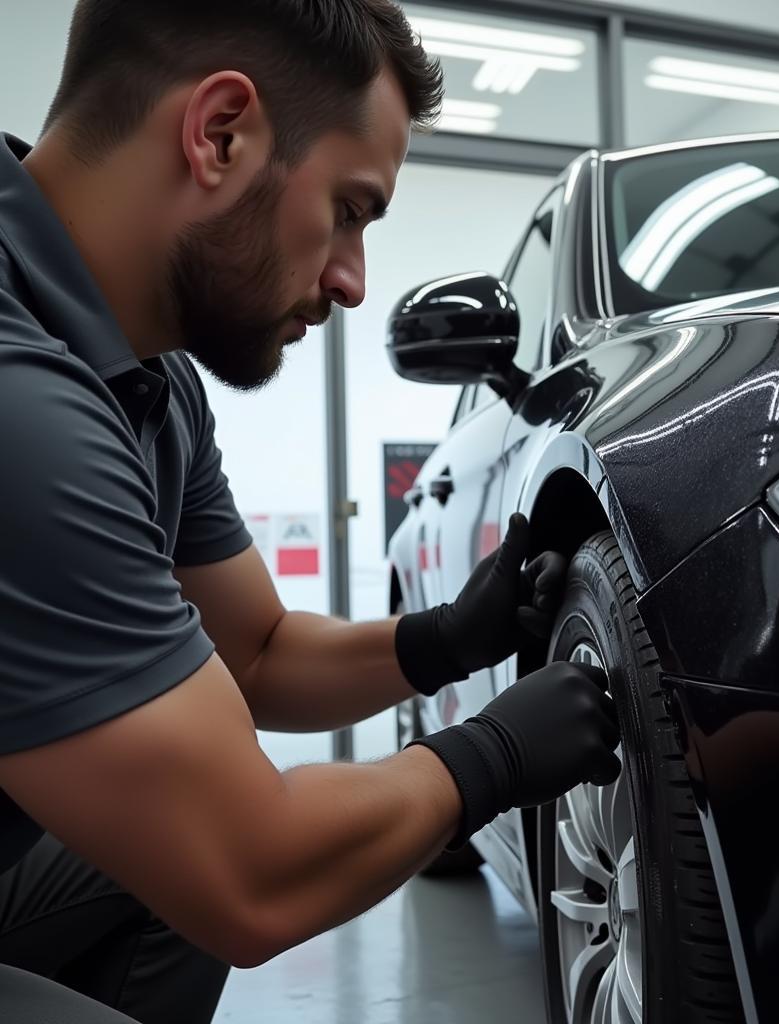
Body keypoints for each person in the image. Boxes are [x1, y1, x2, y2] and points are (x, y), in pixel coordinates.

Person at [0, 2, 622, 1021]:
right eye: (348, 208)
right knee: (197, 865)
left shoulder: (147, 379)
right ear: (219, 135)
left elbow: (253, 654)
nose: (351, 281)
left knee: (157, 877)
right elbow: (252, 872)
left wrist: (442, 641)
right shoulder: (23, 402)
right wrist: (490, 756)